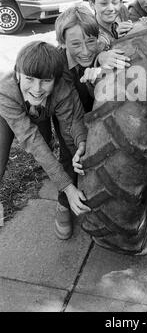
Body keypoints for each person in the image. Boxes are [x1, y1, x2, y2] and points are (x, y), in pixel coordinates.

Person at [0, 41, 91, 240]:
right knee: (28, 143)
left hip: (50, 106)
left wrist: (81, 143)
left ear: (56, 80)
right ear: (17, 74)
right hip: (15, 111)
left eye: (45, 81)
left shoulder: (62, 89)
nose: (37, 88)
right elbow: (31, 139)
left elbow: (72, 125)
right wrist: (67, 186)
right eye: (29, 79)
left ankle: (63, 205)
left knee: (69, 148)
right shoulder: (5, 90)